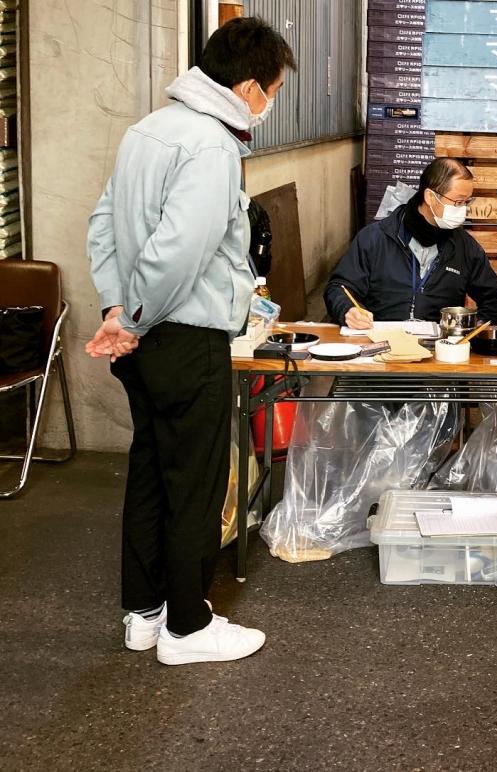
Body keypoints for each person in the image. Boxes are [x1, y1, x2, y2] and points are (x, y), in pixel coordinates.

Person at [85, 17, 295, 665]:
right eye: (275, 90)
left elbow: (102, 224)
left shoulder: (147, 130)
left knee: (151, 469)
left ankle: (143, 615)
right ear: (251, 87)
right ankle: (188, 625)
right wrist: (136, 315)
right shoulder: (210, 147)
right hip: (184, 337)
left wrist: (120, 309)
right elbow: (180, 250)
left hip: (146, 338)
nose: (273, 103)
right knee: (196, 480)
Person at [324, 158, 497, 327]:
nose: (463, 209)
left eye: (467, 202)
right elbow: (339, 288)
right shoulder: (375, 238)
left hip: (440, 349)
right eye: (457, 202)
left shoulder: (465, 247)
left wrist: (474, 328)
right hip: (379, 344)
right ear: (430, 197)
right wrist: (348, 310)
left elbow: (494, 298)